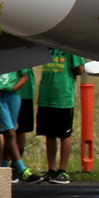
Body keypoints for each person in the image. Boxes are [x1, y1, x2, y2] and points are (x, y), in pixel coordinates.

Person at [36, 50, 85, 184]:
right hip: (46, 95)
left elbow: (79, 69)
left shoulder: (70, 47)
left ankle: (62, 170)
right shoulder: (46, 45)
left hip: (63, 95)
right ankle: (51, 169)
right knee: (49, 134)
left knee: (64, 134)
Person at [0, 70, 33, 182]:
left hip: (14, 96)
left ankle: (4, 169)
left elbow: (24, 76)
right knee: (10, 133)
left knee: (9, 134)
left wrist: (14, 88)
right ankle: (21, 169)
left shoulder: (14, 58)